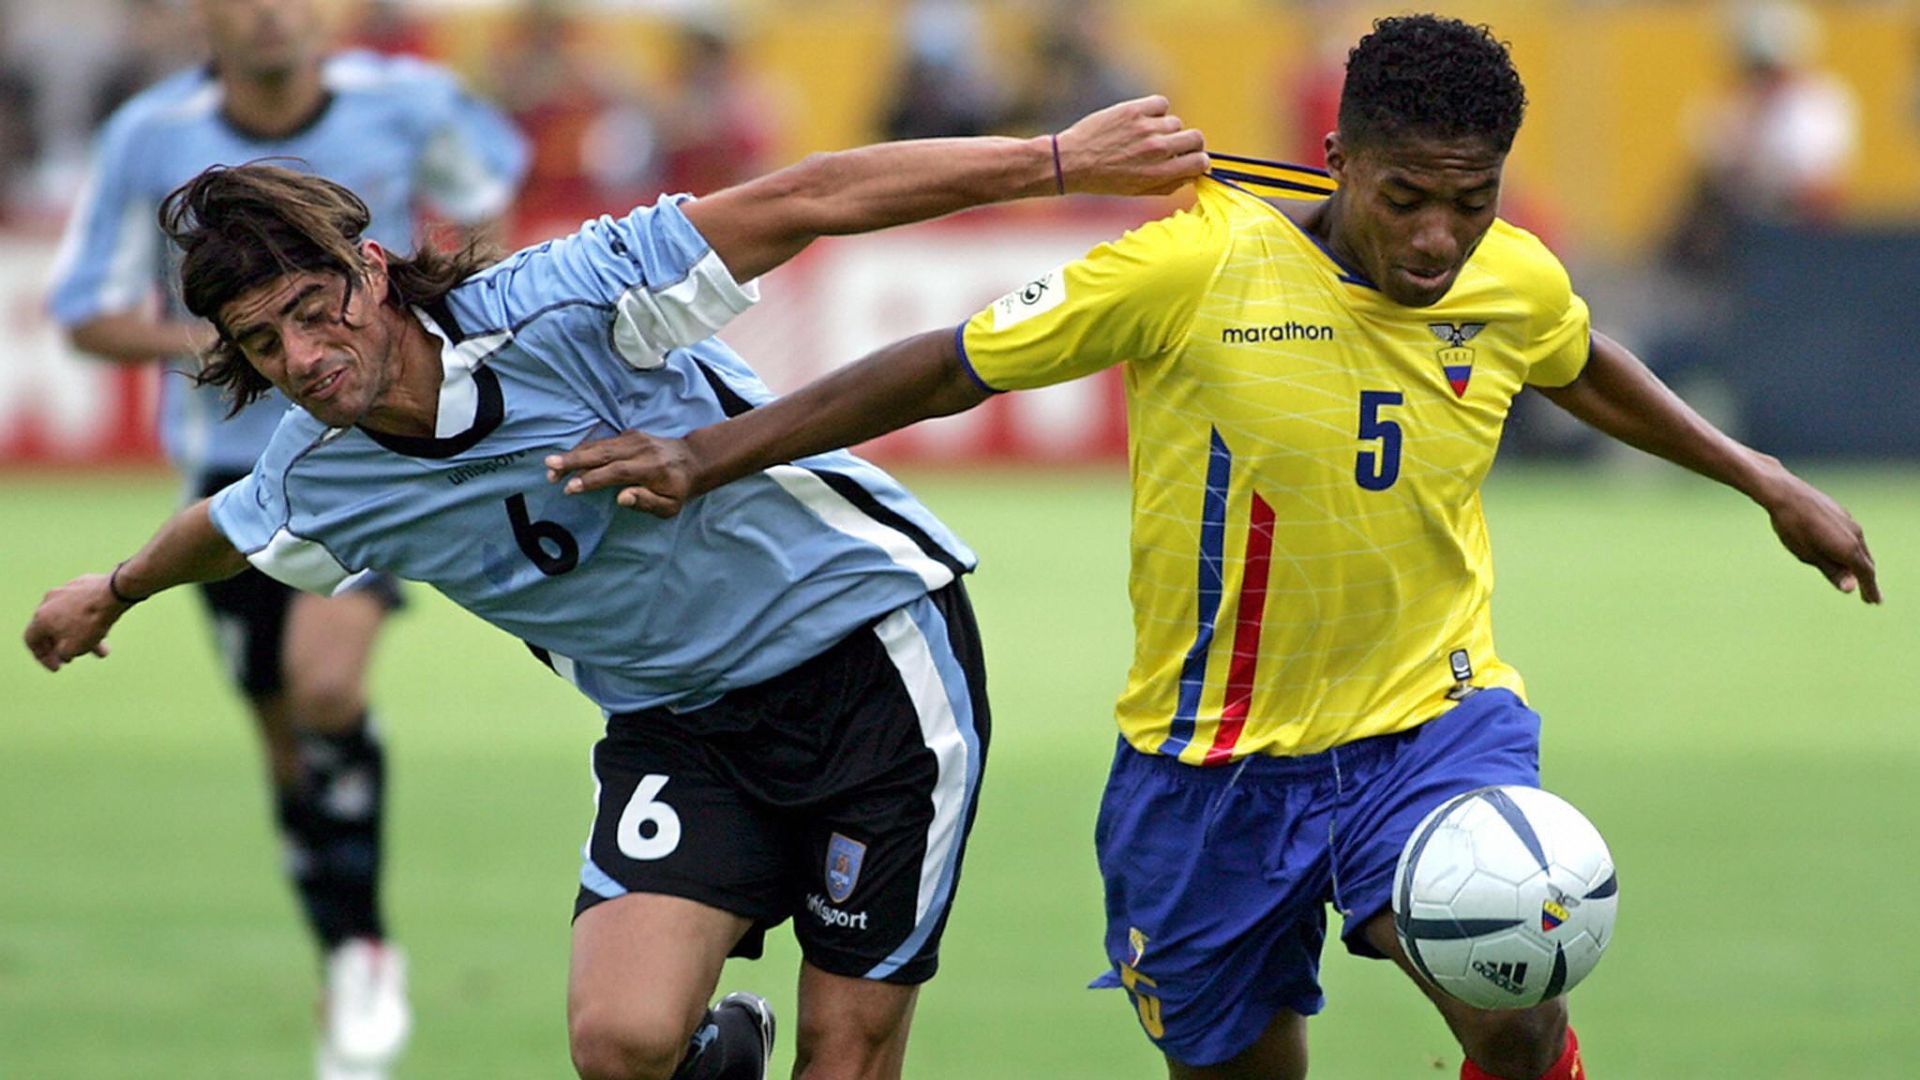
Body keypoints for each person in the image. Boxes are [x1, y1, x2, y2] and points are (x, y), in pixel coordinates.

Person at [535, 16, 1879, 1080]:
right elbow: (949, 367)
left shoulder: (1507, 274)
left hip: (1430, 721)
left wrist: (1761, 479)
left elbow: (1578, 361)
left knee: (1509, 970)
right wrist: (708, 452)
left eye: (1467, 204)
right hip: (1206, 771)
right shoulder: (1195, 266)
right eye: (1407, 195)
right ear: (1339, 153)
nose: (1436, 237)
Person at [23, 97, 1208, 1080]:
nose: (303, 359)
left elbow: (805, 198)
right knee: (621, 1046)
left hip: (871, 659)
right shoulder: (322, 472)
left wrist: (1057, 162)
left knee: (847, 1057)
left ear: (370, 269)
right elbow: (225, 528)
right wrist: (114, 590)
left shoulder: (567, 299)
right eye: (263, 343)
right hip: (678, 724)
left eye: (309, 310)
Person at [43, 1, 529, 1075]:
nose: (272, 16)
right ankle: (349, 941)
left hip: (370, 456)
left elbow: (494, 193)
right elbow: (82, 307)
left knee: (324, 689)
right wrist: (243, 337)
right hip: (227, 478)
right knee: (284, 741)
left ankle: (362, 960)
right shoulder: (150, 134)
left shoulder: (406, 103)